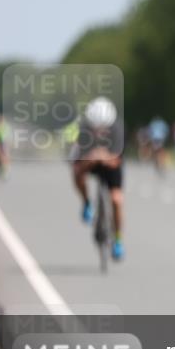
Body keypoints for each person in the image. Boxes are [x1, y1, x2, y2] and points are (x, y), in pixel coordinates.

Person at [71, 97, 125, 260]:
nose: (99, 133)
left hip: (111, 165)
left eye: (103, 129)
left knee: (116, 199)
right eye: (95, 129)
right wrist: (92, 158)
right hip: (90, 162)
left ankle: (118, 240)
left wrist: (104, 156)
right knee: (76, 173)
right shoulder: (83, 129)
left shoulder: (117, 128)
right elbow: (78, 162)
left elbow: (117, 160)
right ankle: (86, 202)